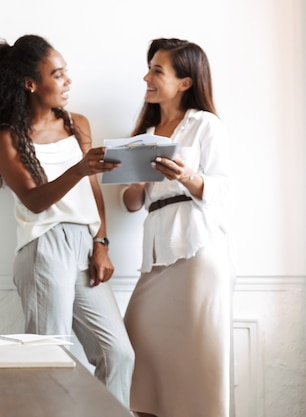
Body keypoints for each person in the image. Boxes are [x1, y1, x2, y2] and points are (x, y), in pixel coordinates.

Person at [0, 34, 134, 407]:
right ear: (31, 83)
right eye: (59, 74)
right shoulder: (7, 137)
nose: (68, 82)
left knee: (118, 354)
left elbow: (93, 191)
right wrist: (79, 169)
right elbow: (34, 201)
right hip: (44, 246)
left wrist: (102, 243)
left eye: (67, 74)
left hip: (85, 243)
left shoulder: (76, 124)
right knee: (50, 356)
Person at [122, 38, 234, 417]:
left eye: (157, 70)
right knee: (134, 338)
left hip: (197, 250)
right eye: (149, 68)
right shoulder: (145, 131)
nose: (147, 77)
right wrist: (133, 180)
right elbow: (132, 203)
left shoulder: (205, 124)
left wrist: (187, 176)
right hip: (156, 254)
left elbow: (224, 188)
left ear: (185, 82)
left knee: (199, 362)